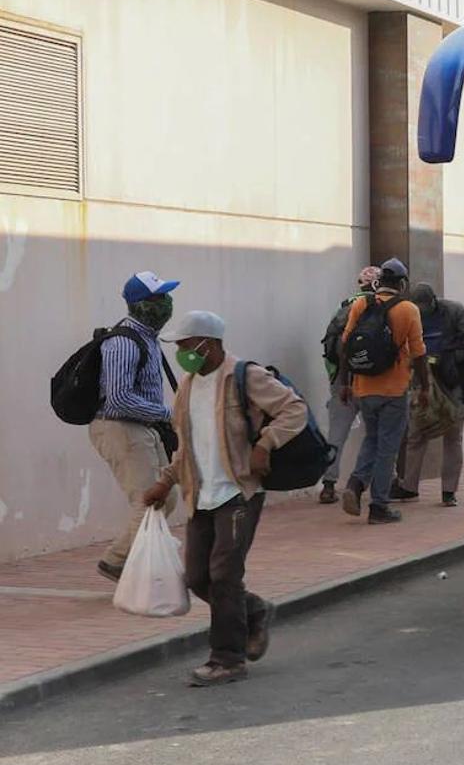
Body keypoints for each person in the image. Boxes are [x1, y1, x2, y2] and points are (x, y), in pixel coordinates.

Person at [143, 310, 308, 687]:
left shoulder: (244, 376)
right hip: (200, 494)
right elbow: (186, 446)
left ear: (209, 343)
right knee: (198, 576)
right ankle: (254, 611)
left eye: (187, 345)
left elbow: (294, 409)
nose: (182, 353)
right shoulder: (186, 385)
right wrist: (166, 482)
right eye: (180, 347)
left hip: (239, 491)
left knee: (224, 575)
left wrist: (266, 443)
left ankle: (227, 659)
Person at [90, 271, 181, 583]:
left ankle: (127, 559)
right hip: (120, 428)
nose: (167, 303)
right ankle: (116, 561)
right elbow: (117, 399)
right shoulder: (123, 343)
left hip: (141, 427)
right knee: (149, 499)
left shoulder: (147, 338)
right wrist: (167, 414)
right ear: (141, 305)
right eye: (159, 298)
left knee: (166, 497)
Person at [338, 258, 431, 524]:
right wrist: (424, 387)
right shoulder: (408, 309)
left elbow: (346, 347)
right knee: (387, 448)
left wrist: (345, 383)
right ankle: (379, 506)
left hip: (363, 387)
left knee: (372, 439)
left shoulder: (361, 304)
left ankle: (355, 485)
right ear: (401, 283)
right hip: (393, 389)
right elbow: (419, 353)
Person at [395, 283, 464, 507]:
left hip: (455, 383)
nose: (422, 313)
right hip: (423, 381)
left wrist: (453, 357)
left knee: (453, 436)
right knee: (416, 434)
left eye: (425, 307)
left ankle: (449, 491)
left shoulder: (455, 312)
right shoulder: (409, 314)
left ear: (434, 300)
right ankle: (409, 487)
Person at [317, 265, 380, 505]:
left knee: (336, 435)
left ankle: (328, 485)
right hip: (372, 381)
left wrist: (336, 381)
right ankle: (388, 479)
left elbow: (330, 348)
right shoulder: (381, 307)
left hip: (341, 382)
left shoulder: (342, 307)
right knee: (379, 433)